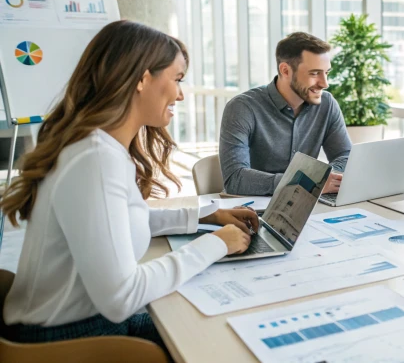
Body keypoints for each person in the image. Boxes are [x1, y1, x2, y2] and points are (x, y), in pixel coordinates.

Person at [1, 21, 258, 348]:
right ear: (142, 79)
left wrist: (204, 217)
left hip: (72, 323)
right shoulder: (95, 160)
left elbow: (117, 222)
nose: (180, 94)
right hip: (66, 338)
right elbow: (122, 297)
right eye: (177, 79)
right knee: (221, 341)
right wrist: (216, 244)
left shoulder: (97, 147)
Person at [219, 32, 351, 196]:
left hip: (307, 201)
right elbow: (235, 179)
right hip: (253, 206)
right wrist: (303, 182)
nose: (324, 83)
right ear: (285, 70)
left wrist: (323, 180)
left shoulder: (327, 104)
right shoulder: (242, 108)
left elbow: (345, 156)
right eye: (314, 73)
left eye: (326, 73)